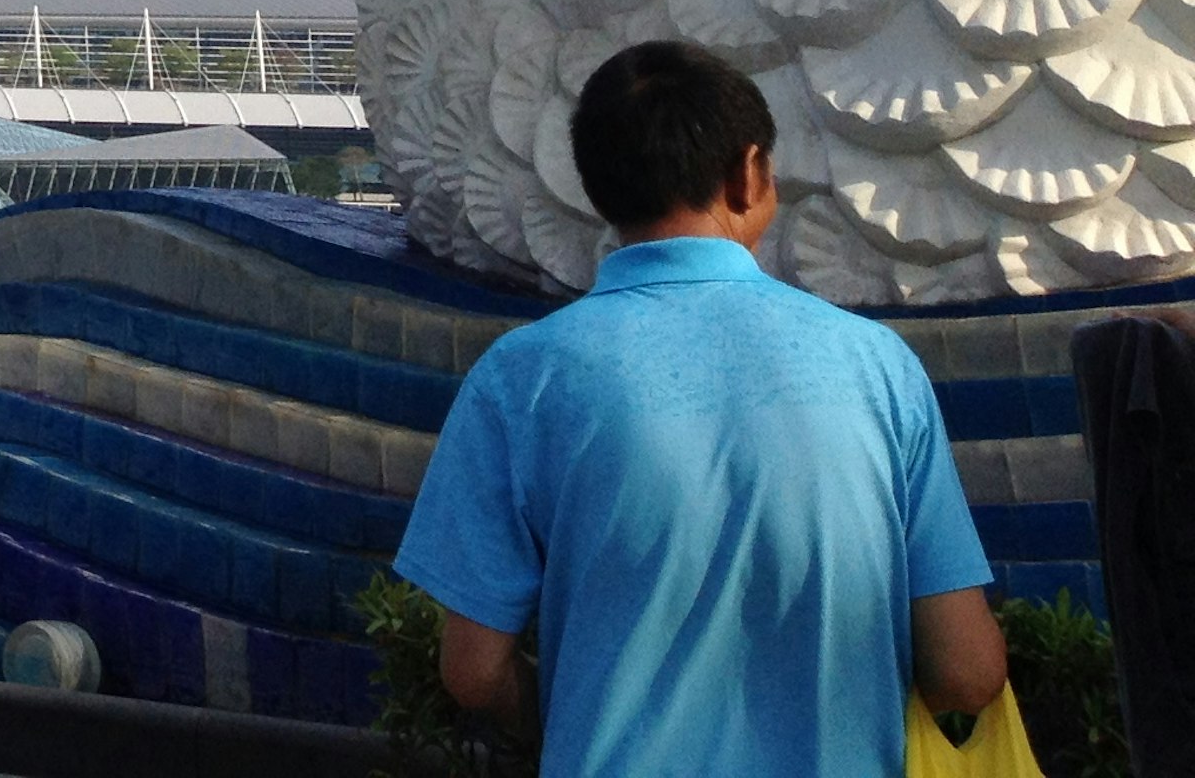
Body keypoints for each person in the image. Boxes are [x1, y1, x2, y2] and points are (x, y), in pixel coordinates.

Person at [393, 40, 1007, 777]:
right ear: (750, 174)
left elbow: (473, 670)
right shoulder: (877, 368)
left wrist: (564, 718)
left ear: (597, 188)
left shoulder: (522, 379)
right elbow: (968, 670)